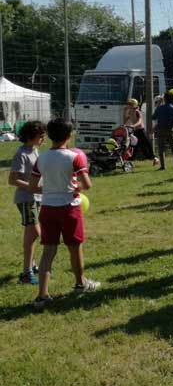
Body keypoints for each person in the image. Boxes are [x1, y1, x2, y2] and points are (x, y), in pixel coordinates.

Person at [28, 119, 98, 309]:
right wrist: (74, 186)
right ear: (69, 136)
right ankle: (80, 284)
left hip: (48, 208)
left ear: (49, 136)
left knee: (48, 251)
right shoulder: (75, 157)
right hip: (69, 208)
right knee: (75, 248)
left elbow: (34, 186)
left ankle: (42, 296)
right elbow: (87, 185)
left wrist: (51, 189)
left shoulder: (41, 159)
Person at [9, 121, 46, 285]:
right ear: (31, 137)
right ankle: (26, 274)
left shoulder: (35, 151)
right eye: (40, 136)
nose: (43, 139)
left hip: (36, 198)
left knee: (32, 234)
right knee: (35, 233)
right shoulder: (21, 154)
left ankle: (30, 264)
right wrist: (34, 188)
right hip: (26, 199)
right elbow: (13, 180)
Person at [124, 98, 158, 165]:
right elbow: (124, 121)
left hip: (141, 130)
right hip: (135, 131)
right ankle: (133, 158)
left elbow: (140, 121)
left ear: (134, 105)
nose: (128, 106)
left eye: (130, 104)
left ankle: (154, 157)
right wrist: (124, 112)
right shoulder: (129, 112)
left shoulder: (137, 111)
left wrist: (134, 125)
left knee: (146, 144)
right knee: (136, 145)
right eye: (128, 104)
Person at [153, 91, 173, 171]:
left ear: (164, 99)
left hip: (161, 129)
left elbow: (153, 117)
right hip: (171, 129)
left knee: (161, 148)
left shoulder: (160, 108)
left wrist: (158, 105)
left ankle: (163, 166)